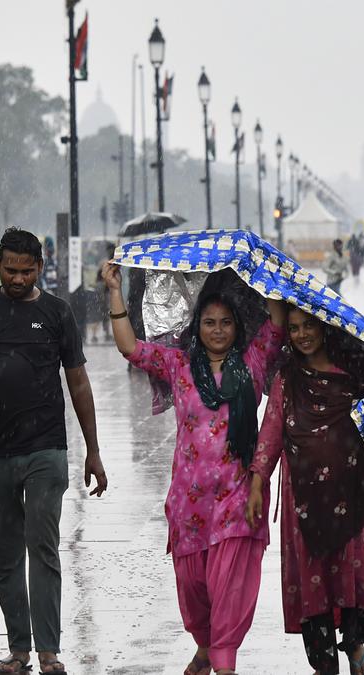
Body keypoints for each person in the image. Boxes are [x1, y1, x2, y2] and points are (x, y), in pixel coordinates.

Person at [103, 260, 287, 675]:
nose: (218, 330)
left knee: (230, 587)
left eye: (225, 322)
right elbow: (131, 348)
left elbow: (277, 324)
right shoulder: (178, 365)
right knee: (195, 590)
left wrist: (269, 271)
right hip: (189, 504)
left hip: (239, 498)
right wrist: (115, 291)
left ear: (237, 327)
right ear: (197, 325)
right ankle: (204, 647)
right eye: (209, 322)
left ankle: (223, 661)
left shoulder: (253, 362)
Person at [0, 228, 108, 675]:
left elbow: (78, 381)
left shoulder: (57, 312)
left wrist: (92, 450)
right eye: (10, 269)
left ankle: (49, 652)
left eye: (26, 270)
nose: (18, 279)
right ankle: (18, 649)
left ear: (40, 267)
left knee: (43, 547)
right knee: (4, 554)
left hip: (47, 450)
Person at [245, 306, 364, 675]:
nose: (302, 335)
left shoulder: (354, 374)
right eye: (296, 328)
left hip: (350, 496)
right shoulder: (286, 379)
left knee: (353, 568)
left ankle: (354, 644)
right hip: (302, 500)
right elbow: (270, 435)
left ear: (325, 327)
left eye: (309, 326)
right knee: (312, 580)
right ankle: (322, 663)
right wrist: (257, 484)